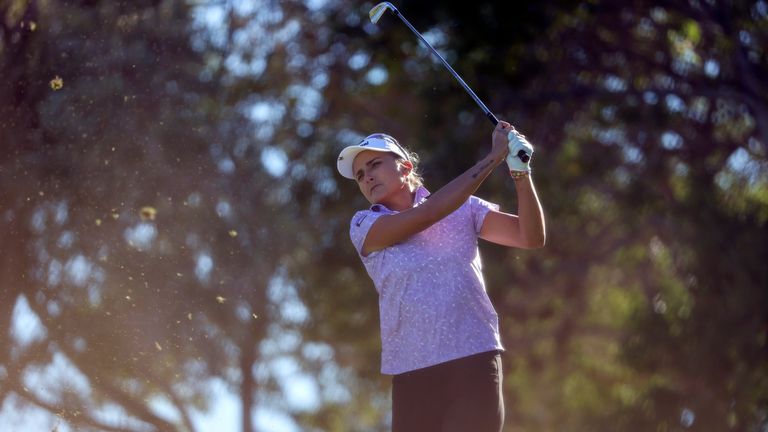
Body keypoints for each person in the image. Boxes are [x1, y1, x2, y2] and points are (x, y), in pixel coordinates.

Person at [336, 121, 546, 432]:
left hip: (474, 358)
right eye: (360, 175)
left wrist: (520, 173)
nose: (366, 177)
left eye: (375, 164)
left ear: (405, 167)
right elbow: (427, 214)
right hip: (412, 372)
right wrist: (493, 158)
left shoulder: (465, 208)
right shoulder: (365, 225)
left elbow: (530, 237)